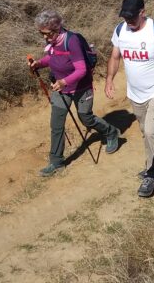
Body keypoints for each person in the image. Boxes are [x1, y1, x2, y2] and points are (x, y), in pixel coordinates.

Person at [105, 0, 154, 198]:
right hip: (135, 94)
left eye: (132, 17)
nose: (128, 21)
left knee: (149, 132)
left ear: (143, 12)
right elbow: (115, 56)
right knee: (148, 133)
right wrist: (109, 79)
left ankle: (152, 175)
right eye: (125, 17)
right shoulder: (120, 30)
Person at [30, 10, 122, 177]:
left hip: (81, 87)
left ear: (56, 29)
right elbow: (52, 58)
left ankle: (111, 132)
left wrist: (64, 82)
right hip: (60, 88)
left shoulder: (72, 41)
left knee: (86, 118)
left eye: (46, 34)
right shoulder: (53, 42)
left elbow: (82, 70)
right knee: (56, 125)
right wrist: (39, 63)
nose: (44, 37)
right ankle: (56, 162)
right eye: (41, 33)